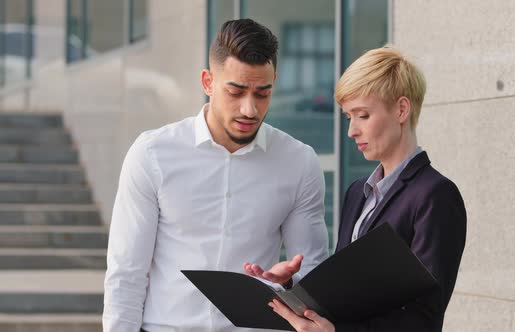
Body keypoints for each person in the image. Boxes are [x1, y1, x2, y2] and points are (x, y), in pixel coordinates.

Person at [103, 18, 329, 332]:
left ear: (274, 81)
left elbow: (313, 278)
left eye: (262, 93)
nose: (249, 109)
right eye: (235, 92)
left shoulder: (299, 163)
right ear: (208, 82)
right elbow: (126, 274)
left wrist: (289, 282)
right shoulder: (152, 154)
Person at [245, 45, 467, 332]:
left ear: (401, 109)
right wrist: (289, 286)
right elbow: (345, 297)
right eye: (349, 117)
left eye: (362, 115)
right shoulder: (357, 192)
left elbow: (425, 318)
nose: (351, 131)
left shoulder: (435, 196)